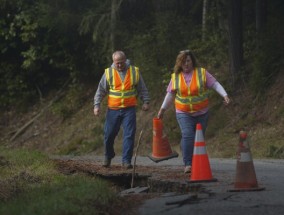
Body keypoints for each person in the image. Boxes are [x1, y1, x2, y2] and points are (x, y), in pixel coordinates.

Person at [157, 50, 230, 174]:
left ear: (192, 61)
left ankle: (184, 146)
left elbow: (215, 84)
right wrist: (162, 109)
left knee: (197, 138)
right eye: (183, 61)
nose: (186, 64)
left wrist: (225, 95)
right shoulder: (176, 77)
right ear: (179, 63)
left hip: (202, 113)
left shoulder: (202, 73)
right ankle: (188, 164)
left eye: (188, 61)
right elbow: (170, 95)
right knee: (188, 135)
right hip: (183, 112)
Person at [94, 51, 150, 169]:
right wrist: (97, 105)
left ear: (125, 60)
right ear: (113, 62)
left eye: (121, 62)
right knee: (109, 135)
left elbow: (142, 88)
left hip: (129, 110)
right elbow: (101, 90)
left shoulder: (134, 71)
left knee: (129, 134)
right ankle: (108, 156)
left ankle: (126, 161)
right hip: (113, 110)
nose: (119, 65)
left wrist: (146, 101)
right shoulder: (109, 73)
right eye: (117, 63)